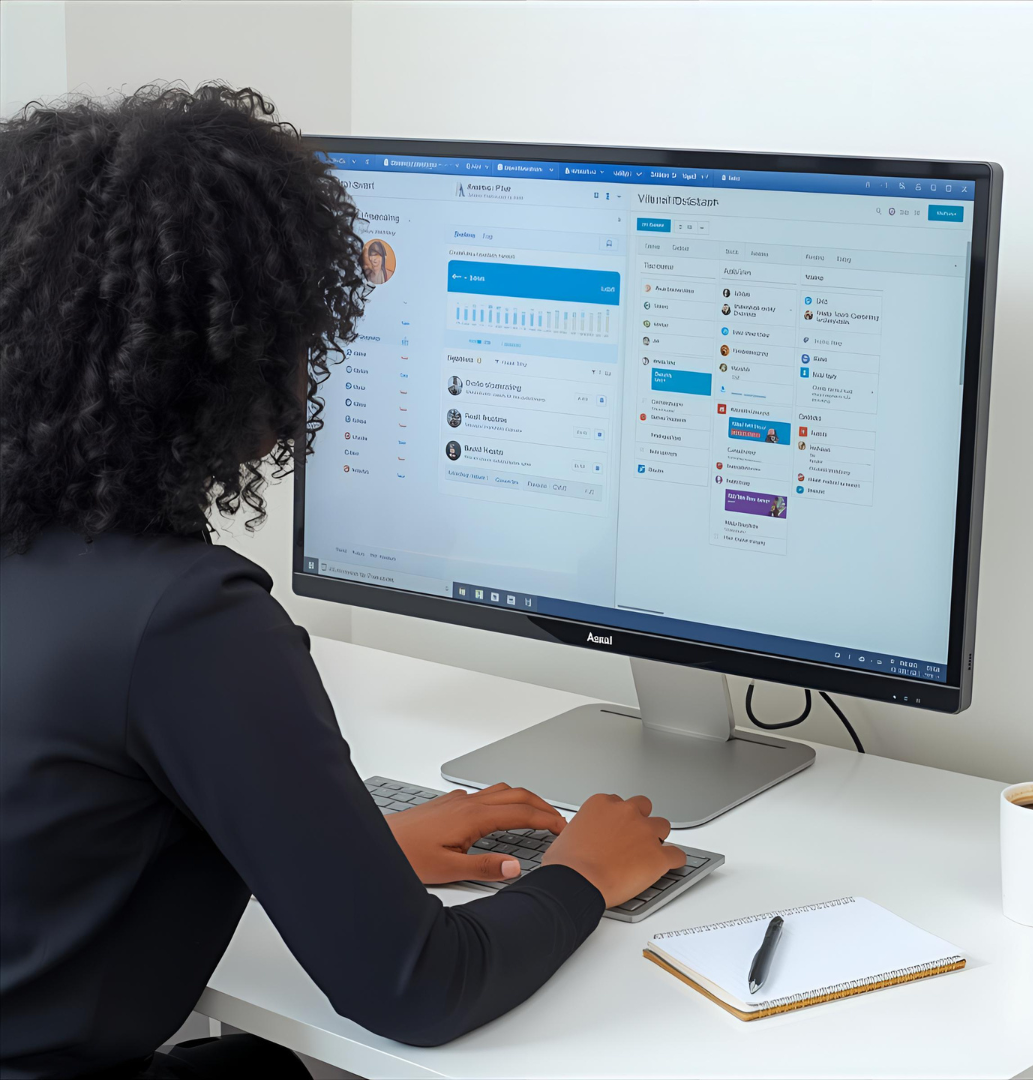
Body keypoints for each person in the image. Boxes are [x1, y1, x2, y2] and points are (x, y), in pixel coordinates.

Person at [0, 85, 685, 1080]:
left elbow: (71, 824)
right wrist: (583, 874)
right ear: (235, 353)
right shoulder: (184, 621)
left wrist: (350, 853)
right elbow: (418, 990)